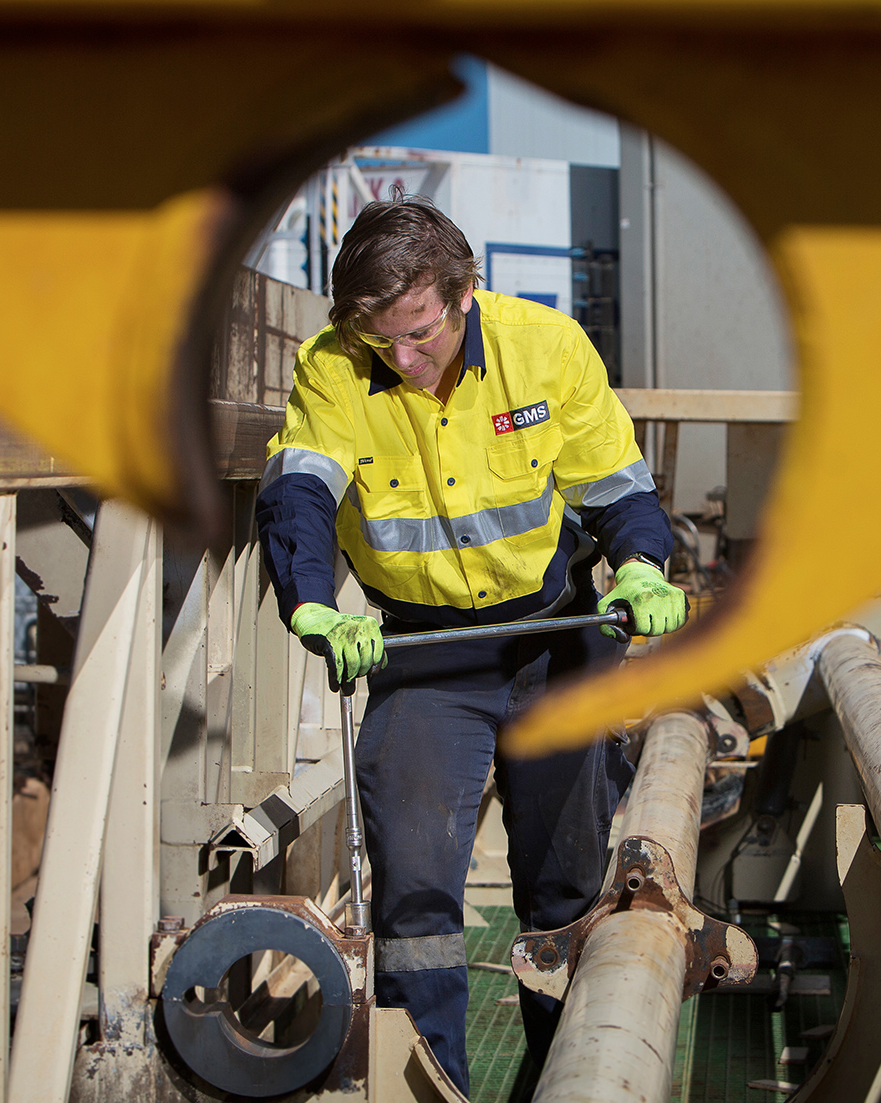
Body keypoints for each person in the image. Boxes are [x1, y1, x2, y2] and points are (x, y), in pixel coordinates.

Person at [255, 193, 687, 1092]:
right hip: (425, 657)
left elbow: (616, 486)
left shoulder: (547, 348)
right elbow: (299, 491)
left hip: (555, 643)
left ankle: (562, 1080)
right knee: (413, 896)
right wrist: (308, 603)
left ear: (464, 294)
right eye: (382, 341)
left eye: (420, 334)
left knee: (565, 892)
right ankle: (434, 1087)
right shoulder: (333, 367)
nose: (403, 362)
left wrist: (642, 566)